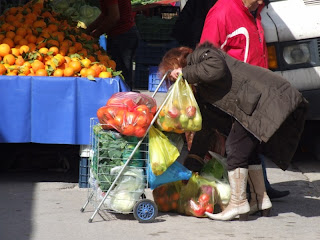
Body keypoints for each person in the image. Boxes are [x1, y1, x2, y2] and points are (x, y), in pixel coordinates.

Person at [158, 42, 308, 221]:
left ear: (177, 66)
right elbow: (205, 129)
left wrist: (185, 73)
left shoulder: (202, 55)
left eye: (174, 78)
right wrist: (193, 164)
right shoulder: (202, 90)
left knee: (235, 150)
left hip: (262, 98)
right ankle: (260, 200)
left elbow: (217, 68)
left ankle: (238, 203)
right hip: (253, 104)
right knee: (248, 152)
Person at [199, 0, 289, 199]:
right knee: (238, 149)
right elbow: (207, 55)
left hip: (257, 95)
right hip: (238, 95)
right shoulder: (223, 11)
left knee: (248, 148)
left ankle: (257, 196)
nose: (261, 2)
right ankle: (248, 199)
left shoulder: (254, 11)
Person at [86, 0, 139, 90]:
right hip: (122, 34)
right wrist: (88, 30)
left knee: (122, 75)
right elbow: (105, 14)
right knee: (120, 72)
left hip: (123, 35)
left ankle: (124, 100)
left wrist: (96, 33)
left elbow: (114, 17)